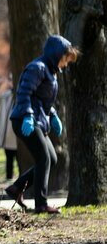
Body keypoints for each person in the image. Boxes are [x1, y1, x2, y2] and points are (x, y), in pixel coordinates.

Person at [5, 35, 79, 214]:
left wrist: (53, 115)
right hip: (25, 120)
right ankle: (41, 204)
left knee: (51, 159)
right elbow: (24, 94)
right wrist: (28, 116)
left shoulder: (49, 71)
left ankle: (17, 188)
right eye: (65, 59)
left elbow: (42, 100)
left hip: (38, 119)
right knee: (43, 158)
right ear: (57, 54)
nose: (66, 64)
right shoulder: (37, 68)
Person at [0, 84, 18, 181]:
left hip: (15, 136)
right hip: (8, 135)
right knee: (9, 158)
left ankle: (17, 181)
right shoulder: (7, 96)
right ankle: (9, 179)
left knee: (18, 158)